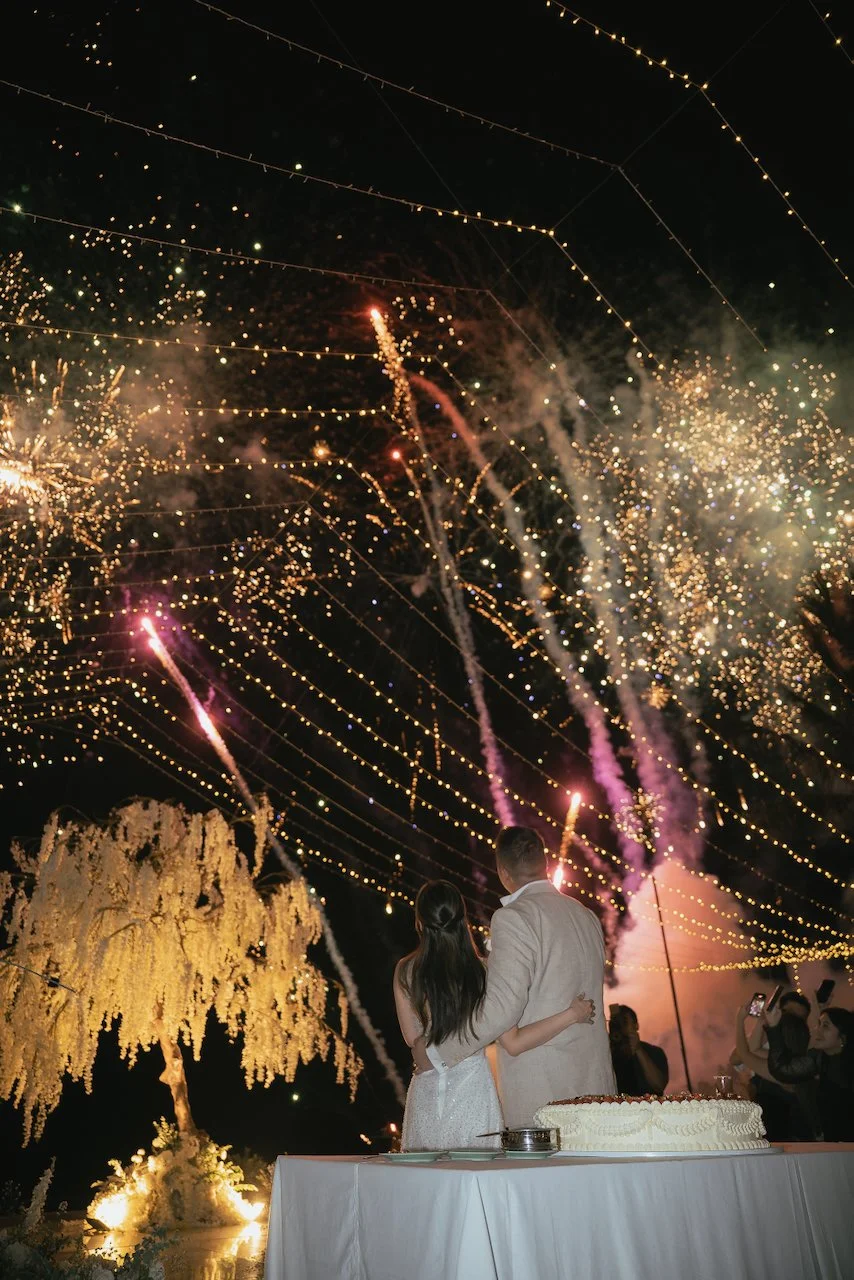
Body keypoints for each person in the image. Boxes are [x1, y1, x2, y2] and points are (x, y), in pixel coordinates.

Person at [412, 826, 615, 1127]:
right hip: (598, 1087)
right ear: (545, 863)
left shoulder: (514, 917)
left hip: (547, 1095)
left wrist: (438, 1053)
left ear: (502, 871)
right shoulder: (586, 916)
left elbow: (501, 1010)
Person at [394, 880, 594, 1149]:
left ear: (419, 922)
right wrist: (571, 1014)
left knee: (423, 1171)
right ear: (462, 919)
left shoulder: (406, 970)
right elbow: (514, 1041)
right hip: (473, 1091)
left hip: (427, 1090)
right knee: (478, 1168)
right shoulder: (483, 971)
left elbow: (413, 1040)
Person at [765, 1005, 854, 1142]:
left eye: (825, 1026)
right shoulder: (819, 1058)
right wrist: (774, 1027)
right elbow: (783, 1069)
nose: (817, 1030)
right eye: (819, 1024)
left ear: (843, 1038)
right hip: (833, 1144)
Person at [608, 1005, 669, 1096]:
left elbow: (658, 1085)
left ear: (636, 1026)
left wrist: (638, 1050)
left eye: (624, 1022)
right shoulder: (608, 1056)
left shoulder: (653, 1052)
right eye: (615, 1024)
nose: (621, 1028)